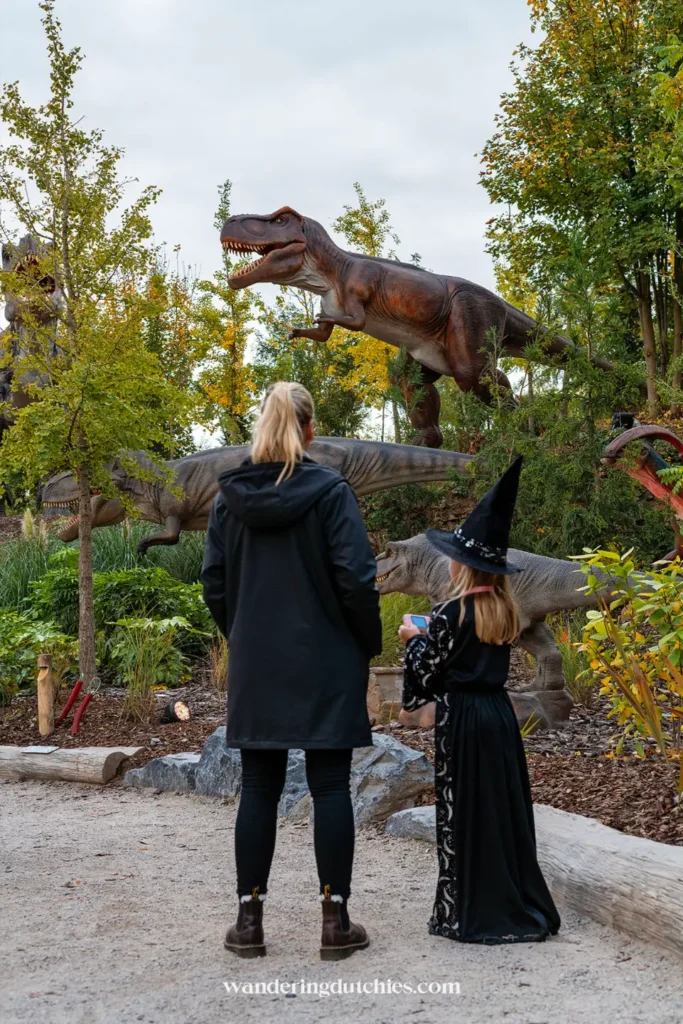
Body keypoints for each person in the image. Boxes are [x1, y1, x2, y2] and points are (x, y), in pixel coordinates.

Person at [201, 381, 382, 960]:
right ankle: (335, 923)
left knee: (259, 786)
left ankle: (248, 922)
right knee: (330, 785)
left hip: (259, 664)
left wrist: (245, 637)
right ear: (308, 430)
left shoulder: (228, 499)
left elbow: (215, 584)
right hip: (326, 658)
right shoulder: (331, 493)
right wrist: (365, 642)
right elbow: (356, 577)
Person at [398, 456, 561, 944]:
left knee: (465, 812)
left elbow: (426, 676)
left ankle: (467, 913)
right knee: (503, 810)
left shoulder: (449, 612)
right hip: (498, 716)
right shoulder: (504, 611)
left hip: (463, 720)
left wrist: (413, 638)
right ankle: (517, 901)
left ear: (461, 565)